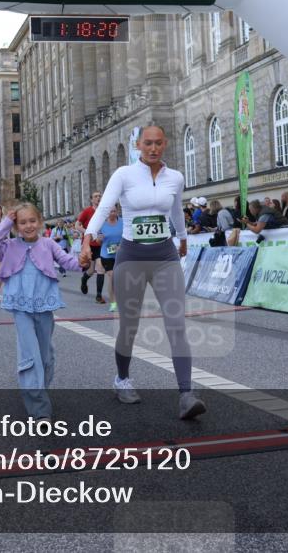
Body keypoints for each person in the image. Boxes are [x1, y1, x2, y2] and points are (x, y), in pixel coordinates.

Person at [80, 124, 206, 420]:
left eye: (158, 143)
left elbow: (175, 210)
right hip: (132, 256)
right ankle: (122, 379)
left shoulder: (175, 177)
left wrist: (183, 237)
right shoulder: (123, 175)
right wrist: (88, 238)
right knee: (129, 325)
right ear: (138, 145)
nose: (152, 148)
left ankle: (186, 394)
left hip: (164, 255)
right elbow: (104, 208)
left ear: (165, 144)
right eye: (147, 143)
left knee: (176, 323)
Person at [0, 203, 83, 422]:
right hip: (20, 307)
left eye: (32, 221)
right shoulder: (9, 245)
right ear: (16, 226)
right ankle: (39, 408)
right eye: (22, 222)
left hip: (44, 305)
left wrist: (83, 263)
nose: (28, 226)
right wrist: (6, 224)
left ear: (39, 222)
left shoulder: (48, 244)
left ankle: (39, 388)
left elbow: (68, 261)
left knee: (46, 357)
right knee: (30, 355)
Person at [76, 191, 105, 300]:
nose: (98, 198)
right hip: (89, 245)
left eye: (99, 196)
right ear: (91, 200)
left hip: (100, 244)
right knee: (91, 270)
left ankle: (99, 296)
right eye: (95, 196)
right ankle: (84, 280)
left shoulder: (104, 211)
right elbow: (77, 225)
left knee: (100, 268)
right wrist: (88, 232)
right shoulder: (87, 211)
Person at [98, 204, 123, 311]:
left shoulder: (123, 222)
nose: (112, 213)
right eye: (110, 211)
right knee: (112, 277)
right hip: (106, 255)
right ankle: (113, 303)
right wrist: (99, 238)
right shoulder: (102, 224)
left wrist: (121, 246)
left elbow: (128, 236)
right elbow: (98, 241)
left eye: (114, 211)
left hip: (122, 254)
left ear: (117, 211)